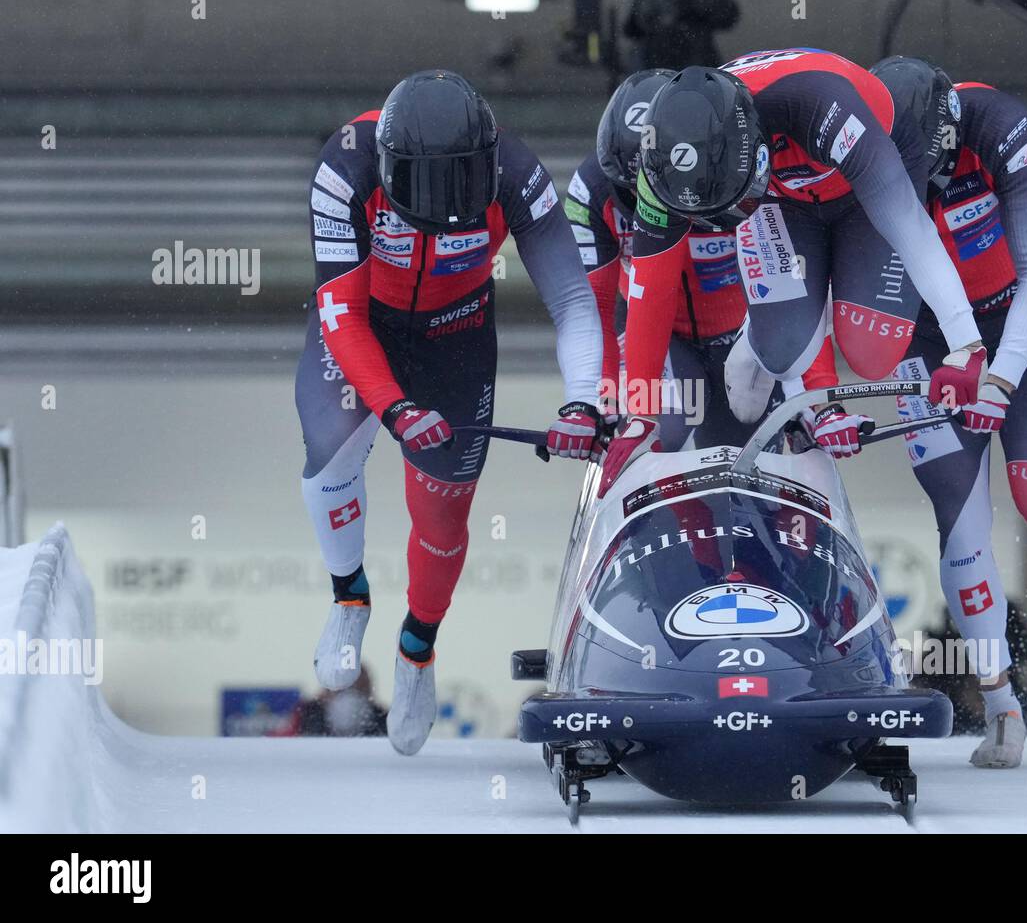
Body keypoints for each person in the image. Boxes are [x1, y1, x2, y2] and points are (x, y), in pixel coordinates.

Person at [295, 70, 602, 756]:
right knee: (332, 438)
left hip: (453, 332)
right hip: (362, 320)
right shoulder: (343, 166)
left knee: (443, 506)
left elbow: (574, 301)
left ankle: (416, 649)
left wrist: (584, 399)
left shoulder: (519, 176)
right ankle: (350, 598)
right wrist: (397, 410)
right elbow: (341, 318)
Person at [599, 50, 987, 495]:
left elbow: (909, 227)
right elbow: (651, 290)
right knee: (773, 366)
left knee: (872, 351)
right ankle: (772, 327)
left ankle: (791, 309)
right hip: (780, 198)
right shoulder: (660, 171)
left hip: (863, 185)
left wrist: (966, 343)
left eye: (732, 206)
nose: (722, 225)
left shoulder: (824, 107)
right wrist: (640, 416)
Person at [869, 56, 1027, 767]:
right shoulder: (862, 149)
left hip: (1019, 328)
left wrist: (1002, 376)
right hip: (929, 344)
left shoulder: (1001, 125)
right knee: (960, 524)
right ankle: (1002, 706)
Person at [568, 68, 836, 452]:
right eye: (635, 193)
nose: (646, 204)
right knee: (661, 433)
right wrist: (604, 399)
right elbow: (594, 303)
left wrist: (820, 399)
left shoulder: (742, 174)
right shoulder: (592, 191)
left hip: (746, 339)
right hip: (664, 342)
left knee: (753, 453)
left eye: (659, 190)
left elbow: (791, 290)